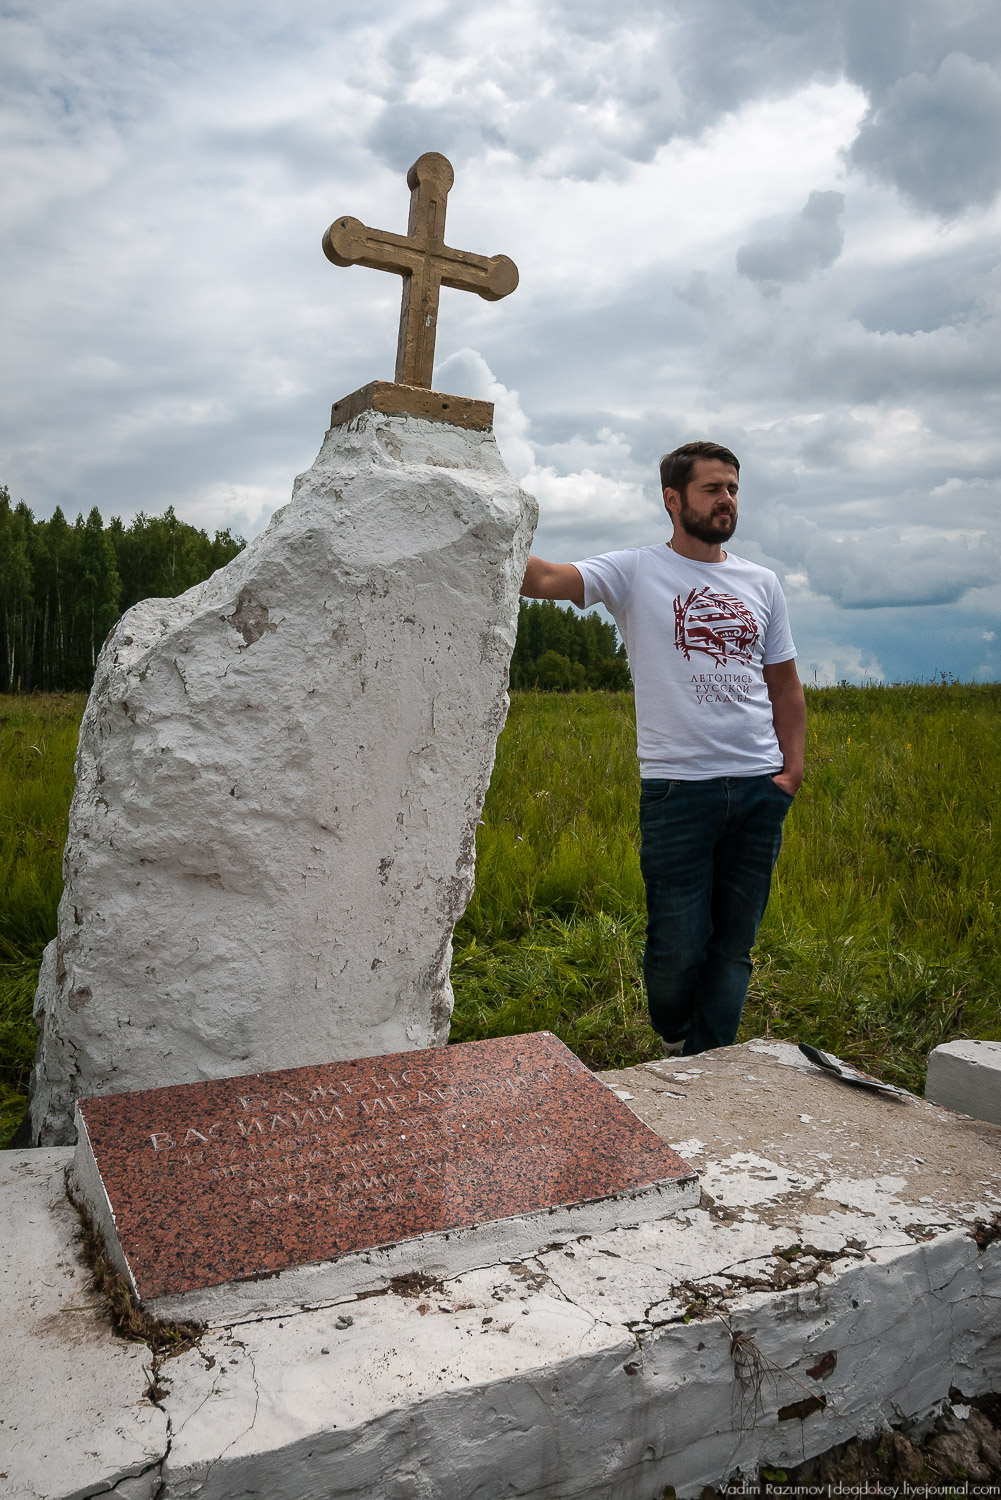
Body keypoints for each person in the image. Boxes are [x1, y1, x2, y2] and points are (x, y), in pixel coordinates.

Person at [520, 440, 805, 1056]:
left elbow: (784, 683)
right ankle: (677, 1031)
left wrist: (792, 769)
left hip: (758, 788)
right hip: (678, 789)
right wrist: (477, 530)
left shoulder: (762, 582)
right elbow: (542, 578)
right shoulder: (636, 571)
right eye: (712, 488)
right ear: (673, 500)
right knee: (676, 946)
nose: (726, 499)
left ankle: (708, 1068)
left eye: (732, 488)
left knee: (733, 946)